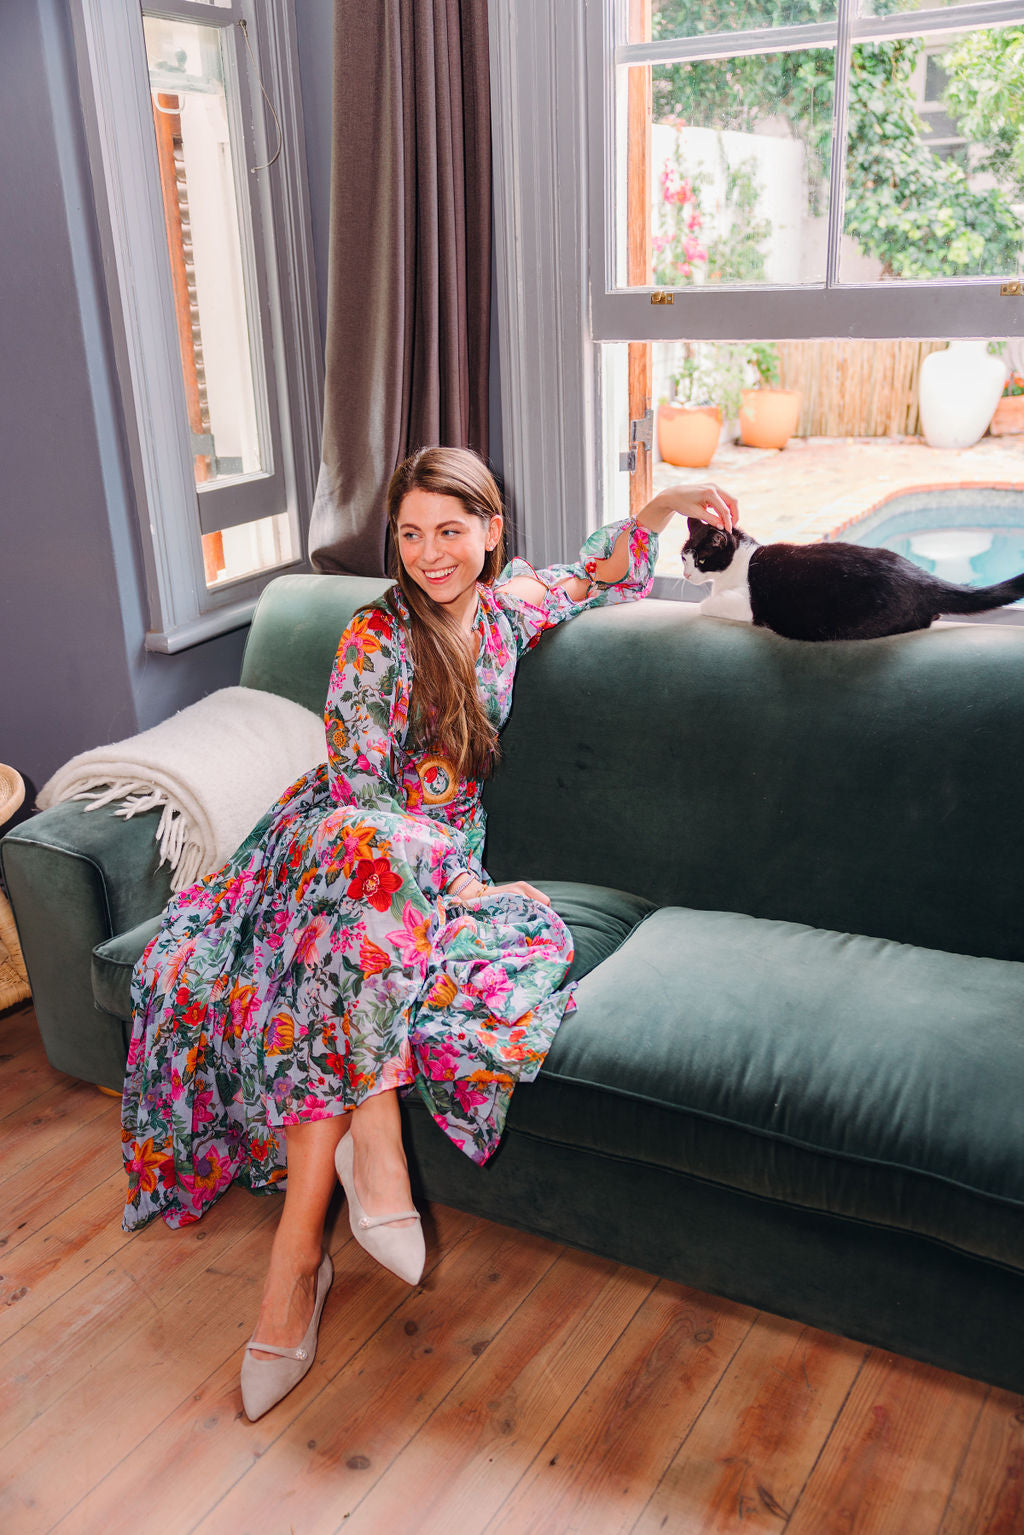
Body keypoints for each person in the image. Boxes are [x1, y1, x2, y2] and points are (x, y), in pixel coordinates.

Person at [121, 446, 738, 1419]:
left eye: (450, 530)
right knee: (365, 895)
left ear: (493, 531)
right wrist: (449, 881)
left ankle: (299, 1260)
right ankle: (366, 1150)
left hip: (415, 870)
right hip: (334, 846)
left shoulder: (508, 611)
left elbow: (596, 572)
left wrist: (659, 504)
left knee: (341, 959)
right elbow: (359, 799)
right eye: (410, 534)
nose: (428, 553)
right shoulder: (375, 636)